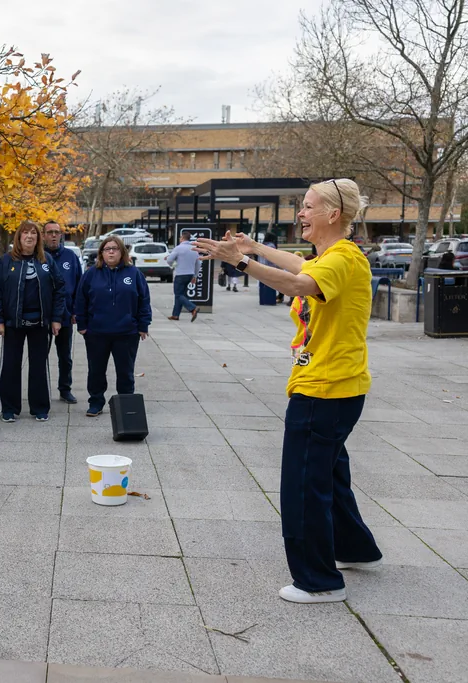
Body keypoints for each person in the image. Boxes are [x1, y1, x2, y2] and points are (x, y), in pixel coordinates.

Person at [193, 178, 382, 604]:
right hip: (336, 387)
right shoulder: (337, 256)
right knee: (330, 477)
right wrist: (255, 249)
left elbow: (299, 285)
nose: (300, 212)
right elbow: (300, 268)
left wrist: (240, 262)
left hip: (325, 391)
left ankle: (318, 581)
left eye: (308, 206)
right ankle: (355, 548)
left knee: (303, 484)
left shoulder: (340, 261)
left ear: (333, 215)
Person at [0, 220, 66, 422]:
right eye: (25, 233)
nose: (30, 236)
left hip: (40, 323)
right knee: (10, 366)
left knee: (39, 366)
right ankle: (9, 408)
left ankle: (40, 407)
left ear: (38, 238)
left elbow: (59, 289)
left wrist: (56, 319)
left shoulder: (46, 260)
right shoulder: (6, 261)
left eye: (33, 233)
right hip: (13, 323)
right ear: (19, 237)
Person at [75, 236, 151, 417]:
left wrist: (143, 325)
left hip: (127, 333)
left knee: (125, 372)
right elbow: (80, 300)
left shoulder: (134, 274)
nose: (111, 251)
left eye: (115, 248)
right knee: (96, 371)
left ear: (122, 252)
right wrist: (82, 325)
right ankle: (96, 402)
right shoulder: (91, 274)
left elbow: (144, 300)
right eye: (107, 248)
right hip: (97, 332)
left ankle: (125, 404)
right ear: (101, 253)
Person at [43, 220, 82, 404]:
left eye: (56, 232)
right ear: (43, 235)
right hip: (42, 316)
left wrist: (76, 310)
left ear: (61, 235)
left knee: (65, 356)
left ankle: (65, 389)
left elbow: (79, 286)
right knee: (40, 356)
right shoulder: (38, 257)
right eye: (49, 232)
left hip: (65, 315)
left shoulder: (71, 258)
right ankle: (41, 390)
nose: (53, 235)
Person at [165, 231, 199, 321]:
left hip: (180, 274)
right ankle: (175, 315)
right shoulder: (194, 249)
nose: (179, 239)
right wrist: (195, 276)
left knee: (178, 294)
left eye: (180, 238)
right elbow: (198, 263)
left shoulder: (178, 248)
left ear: (182, 238)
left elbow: (169, 260)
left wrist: (173, 265)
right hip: (190, 274)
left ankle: (193, 308)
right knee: (180, 295)